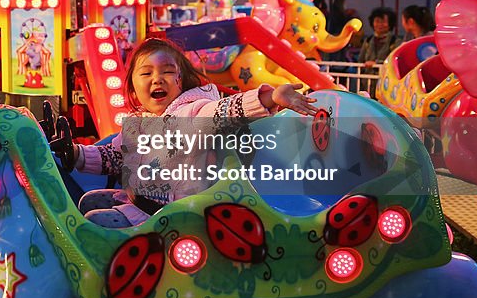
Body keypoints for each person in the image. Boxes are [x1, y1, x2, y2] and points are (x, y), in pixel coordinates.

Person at [58, 38, 317, 227]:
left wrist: (271, 97)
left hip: (174, 218)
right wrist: (75, 154)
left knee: (94, 221)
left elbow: (226, 110)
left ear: (182, 81)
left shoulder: (193, 114)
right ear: (134, 90)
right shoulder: (138, 124)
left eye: (167, 72)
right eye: (146, 73)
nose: (157, 79)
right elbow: (113, 157)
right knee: (87, 201)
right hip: (140, 203)